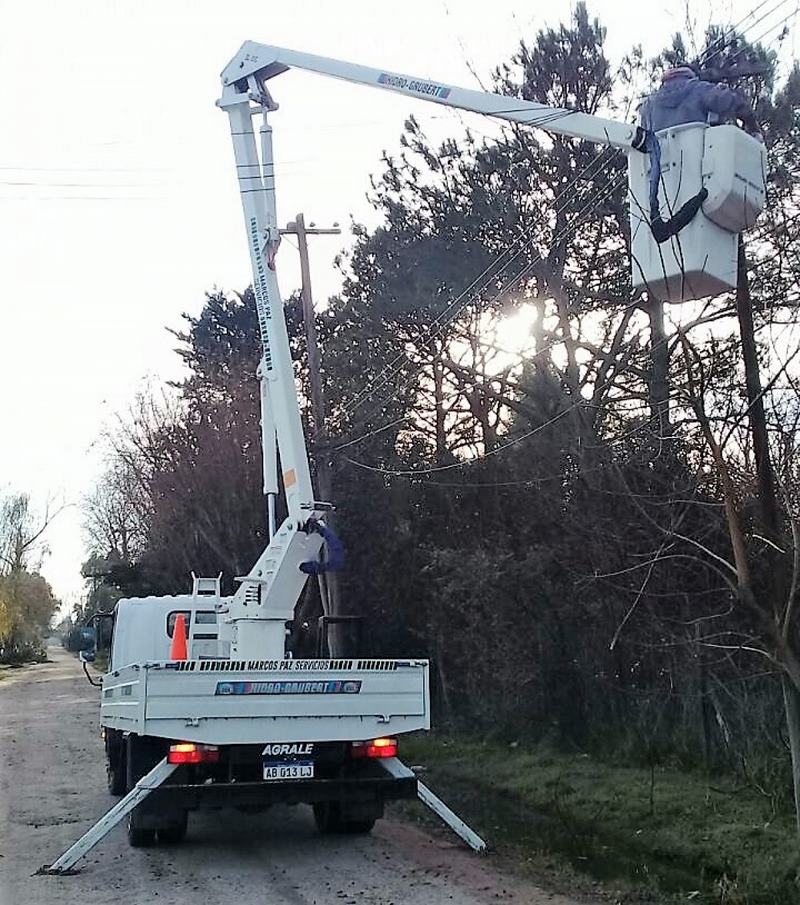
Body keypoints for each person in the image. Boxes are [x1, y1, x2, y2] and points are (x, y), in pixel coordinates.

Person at [639, 65, 761, 242]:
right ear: (690, 77)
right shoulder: (699, 90)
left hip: (664, 195)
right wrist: (753, 127)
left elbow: (644, 142)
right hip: (703, 185)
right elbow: (731, 101)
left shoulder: (648, 106)